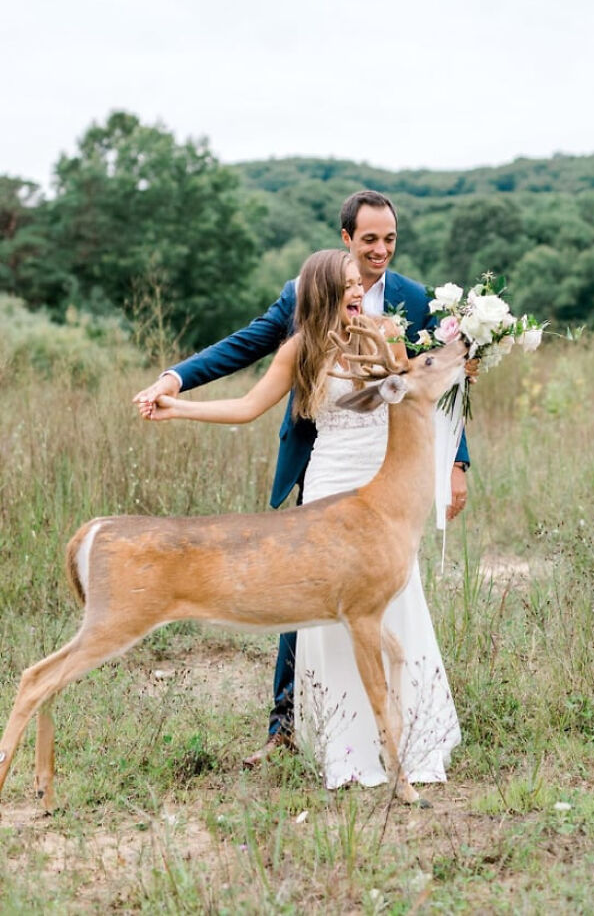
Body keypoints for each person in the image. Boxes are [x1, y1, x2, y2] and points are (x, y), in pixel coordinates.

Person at [133, 189, 470, 765]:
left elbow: (429, 385)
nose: (378, 255)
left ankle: (413, 738)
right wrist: (177, 389)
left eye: (389, 240)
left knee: (396, 600)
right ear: (345, 242)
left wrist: (457, 457)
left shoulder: (401, 314)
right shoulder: (300, 322)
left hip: (386, 475)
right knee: (306, 601)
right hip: (328, 471)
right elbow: (243, 372)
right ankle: (299, 730)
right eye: (369, 242)